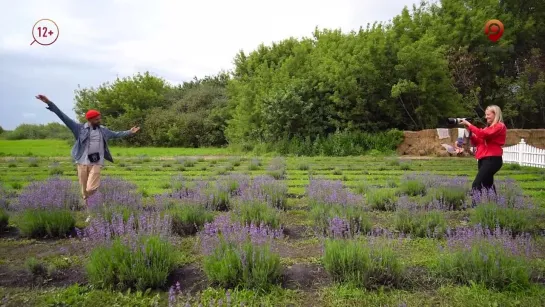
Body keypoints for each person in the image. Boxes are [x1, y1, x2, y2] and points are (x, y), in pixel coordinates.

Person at [35, 94, 140, 220]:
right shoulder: (79, 129)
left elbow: (116, 134)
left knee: (91, 188)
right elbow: (63, 116)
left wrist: (130, 131)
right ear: (90, 120)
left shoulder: (103, 130)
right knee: (84, 191)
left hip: (96, 163)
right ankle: (92, 212)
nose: (99, 121)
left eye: (99, 119)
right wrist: (49, 102)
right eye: (97, 119)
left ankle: (98, 203)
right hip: (82, 162)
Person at [460, 105, 506, 196]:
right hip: (483, 159)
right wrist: (469, 131)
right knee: (488, 184)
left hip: (492, 159)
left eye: (488, 115)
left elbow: (483, 134)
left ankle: (474, 207)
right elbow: (477, 142)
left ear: (495, 114)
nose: (486, 117)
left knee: (477, 184)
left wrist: (470, 125)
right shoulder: (487, 128)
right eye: (486, 115)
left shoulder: (500, 126)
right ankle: (494, 204)